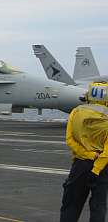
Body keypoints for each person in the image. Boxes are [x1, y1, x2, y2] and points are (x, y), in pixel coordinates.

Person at [60, 82, 108, 222]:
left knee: (71, 205)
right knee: (98, 207)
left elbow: (70, 140)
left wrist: (87, 155)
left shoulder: (76, 112)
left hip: (80, 165)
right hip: (102, 168)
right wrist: (97, 168)